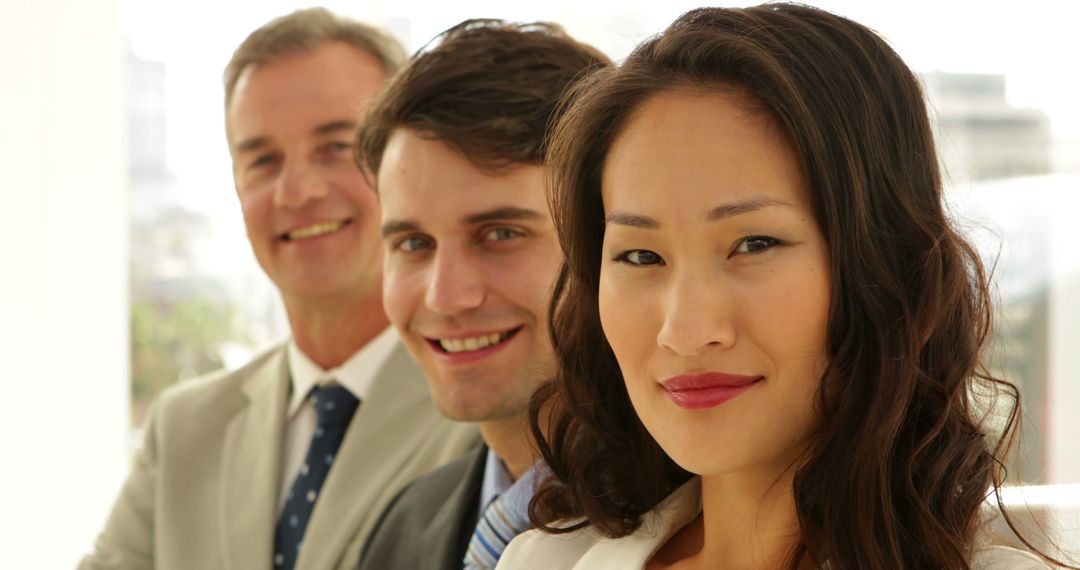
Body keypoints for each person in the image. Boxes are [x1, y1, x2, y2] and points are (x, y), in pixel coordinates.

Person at [499, 4, 1069, 569]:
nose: (685, 331)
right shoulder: (539, 562)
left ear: (884, 265)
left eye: (754, 244)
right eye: (641, 256)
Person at [80, 8, 478, 570]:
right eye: (263, 160)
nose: (297, 191)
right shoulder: (185, 429)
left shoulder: (484, 406)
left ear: (404, 164)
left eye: (336, 147)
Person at [351, 19, 609, 570]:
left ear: (607, 241)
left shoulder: (718, 524)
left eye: (501, 234)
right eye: (413, 243)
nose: (445, 296)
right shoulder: (405, 526)